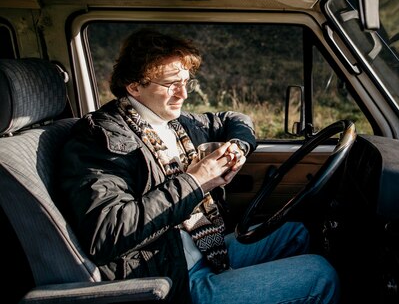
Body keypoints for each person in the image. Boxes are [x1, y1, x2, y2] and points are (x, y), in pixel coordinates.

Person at [59, 29, 340, 304]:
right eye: (171, 84)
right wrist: (195, 181)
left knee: (295, 233)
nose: (183, 94)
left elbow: (235, 118)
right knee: (320, 275)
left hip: (205, 249)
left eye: (186, 82)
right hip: (173, 278)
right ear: (134, 86)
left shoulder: (174, 123)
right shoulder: (100, 139)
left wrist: (238, 148)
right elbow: (108, 232)